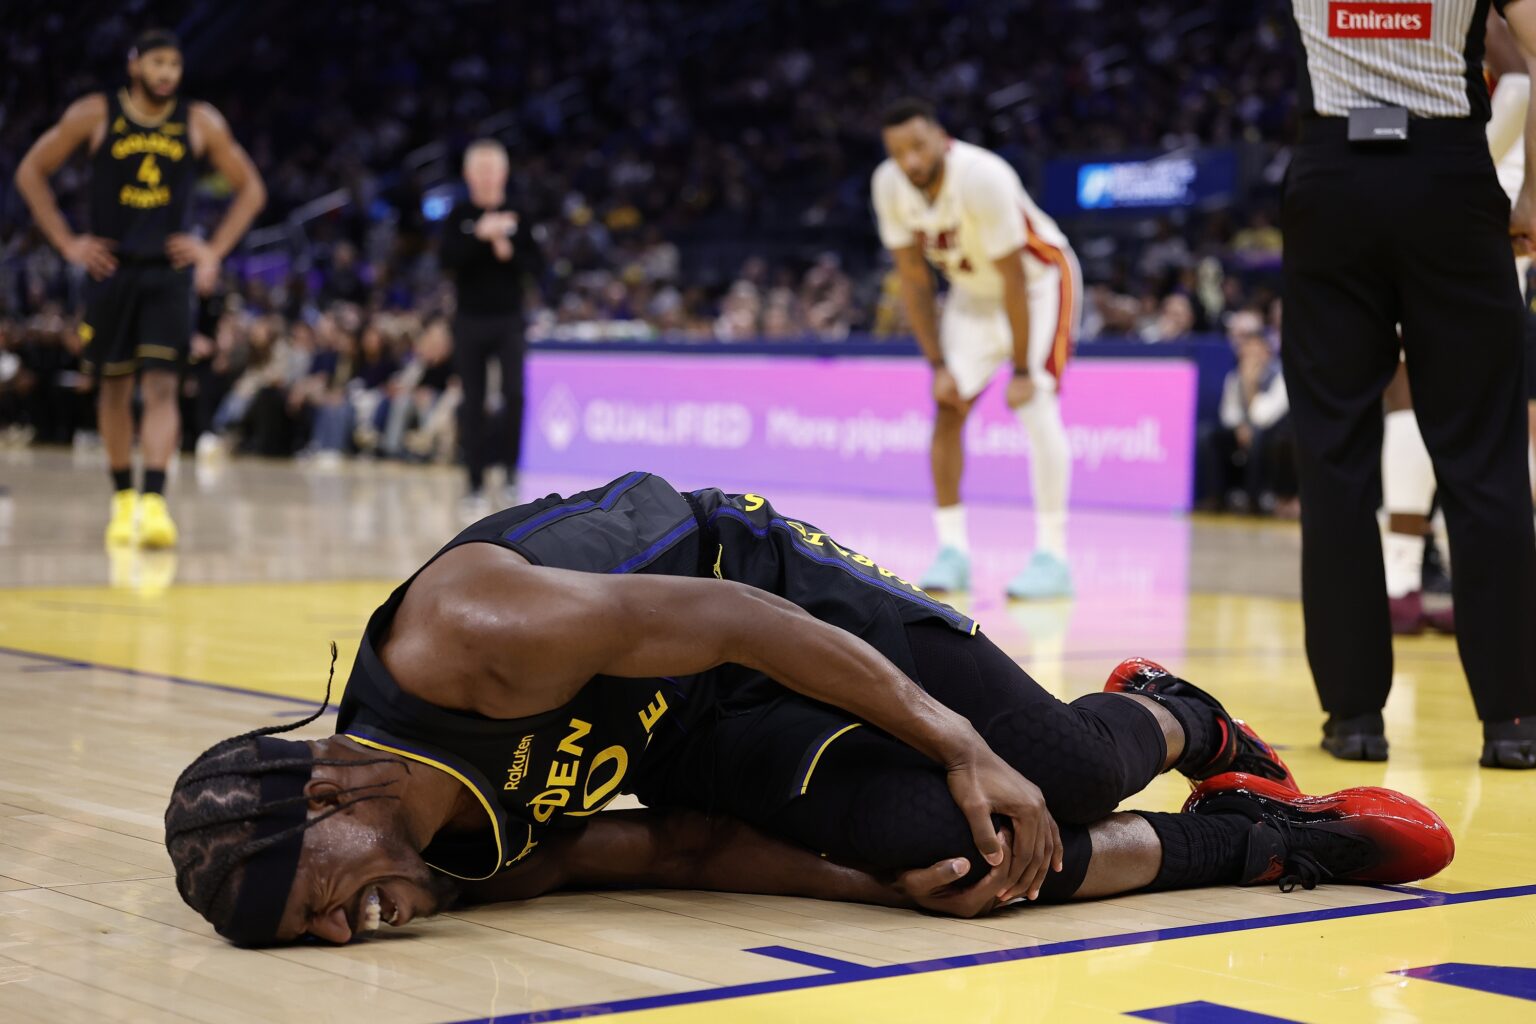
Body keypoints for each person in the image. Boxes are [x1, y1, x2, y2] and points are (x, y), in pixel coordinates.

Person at [163, 472, 1454, 946]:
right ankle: (1263, 840)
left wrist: (959, 744)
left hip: (750, 591)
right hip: (690, 726)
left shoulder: (465, 639)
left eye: (312, 899)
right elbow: (676, 848)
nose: (336, 932)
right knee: (961, 855)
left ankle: (1175, 714)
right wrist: (877, 884)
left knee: (1050, 772)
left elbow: (733, 621)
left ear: (321, 791)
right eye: (305, 939)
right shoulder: (446, 867)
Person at [1282, 1, 1536, 767]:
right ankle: (1514, 721)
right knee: (1485, 457)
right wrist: (1532, 193)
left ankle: (1355, 716)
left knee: (1333, 458)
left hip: (1333, 178)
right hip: (1450, 178)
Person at [13, 28, 265, 548]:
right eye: (157, 63)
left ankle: (154, 500)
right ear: (135, 65)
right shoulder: (96, 112)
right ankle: (123, 497)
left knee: (163, 386)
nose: (167, 73)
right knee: (113, 387)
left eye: (174, 64)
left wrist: (213, 250)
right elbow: (30, 172)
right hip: (110, 268)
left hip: (169, 272)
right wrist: (67, 242)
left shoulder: (199, 120)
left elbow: (251, 189)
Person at [873, 98, 1081, 600]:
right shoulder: (889, 185)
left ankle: (1053, 556)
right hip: (972, 295)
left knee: (1035, 404)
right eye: (899, 153)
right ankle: (952, 552)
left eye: (919, 147)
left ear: (940, 137)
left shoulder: (983, 176)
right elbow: (914, 280)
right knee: (948, 406)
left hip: (1037, 283)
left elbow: (1014, 276)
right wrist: (938, 365)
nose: (911, 161)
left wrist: (1023, 368)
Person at [440, 138, 544, 521]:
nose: (485, 177)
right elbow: (447, 260)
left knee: (514, 395)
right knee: (473, 402)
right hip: (469, 320)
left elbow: (536, 266)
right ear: (468, 175)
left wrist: (508, 250)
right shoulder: (459, 215)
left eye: (491, 170)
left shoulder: (520, 213)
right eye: (479, 170)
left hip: (509, 320)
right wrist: (479, 238)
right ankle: (474, 483)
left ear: (503, 173)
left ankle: (511, 475)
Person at [1199, 311, 1296, 514]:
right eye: (1246, 351)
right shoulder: (1235, 377)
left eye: (1255, 351)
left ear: (1267, 352)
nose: (1249, 356)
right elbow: (1229, 413)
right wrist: (1239, 427)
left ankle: (1254, 499)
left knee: (1259, 436)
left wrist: (1251, 385)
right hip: (1245, 432)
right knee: (1207, 434)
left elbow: (1264, 417)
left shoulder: (1281, 376)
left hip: (1275, 436)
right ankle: (1215, 496)